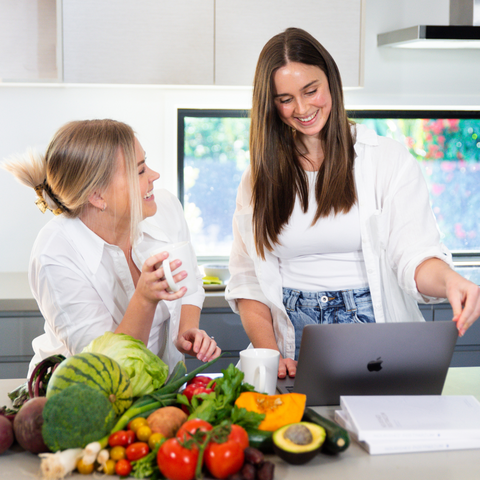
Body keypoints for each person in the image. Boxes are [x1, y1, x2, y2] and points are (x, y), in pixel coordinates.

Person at [225, 27, 480, 379]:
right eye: (285, 99)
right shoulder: (258, 178)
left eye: (311, 90)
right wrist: (270, 353)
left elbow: (414, 257)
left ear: (331, 80)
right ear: (270, 103)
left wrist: (452, 281)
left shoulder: (386, 160)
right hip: (291, 342)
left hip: (374, 334)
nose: (301, 108)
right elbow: (247, 279)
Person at [3, 119, 220, 377]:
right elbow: (104, 368)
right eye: (139, 171)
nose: (154, 176)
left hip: (159, 391)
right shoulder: (55, 252)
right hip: (86, 398)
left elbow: (191, 279)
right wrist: (144, 298)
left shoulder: (166, 208)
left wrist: (186, 330)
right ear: (98, 196)